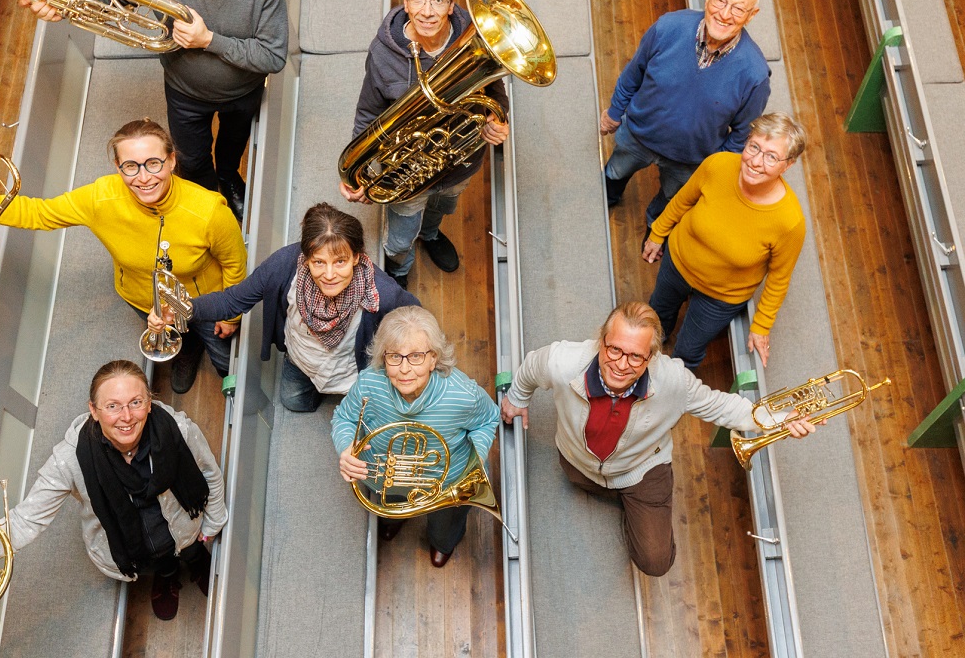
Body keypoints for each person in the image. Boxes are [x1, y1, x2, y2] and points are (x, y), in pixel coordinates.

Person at [22, 0, 289, 221]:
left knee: (231, 148)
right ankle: (211, 204)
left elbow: (274, 57)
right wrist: (59, 2)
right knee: (191, 160)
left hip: (242, 93)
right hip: (184, 92)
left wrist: (208, 39)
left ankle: (228, 177)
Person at [0, 118, 246, 394]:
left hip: (206, 301)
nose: (144, 177)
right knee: (178, 341)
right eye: (130, 167)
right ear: (118, 168)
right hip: (142, 299)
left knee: (224, 355)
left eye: (153, 163)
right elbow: (39, 212)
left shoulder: (209, 211)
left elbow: (235, 264)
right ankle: (187, 351)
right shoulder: (101, 197)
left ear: (172, 161)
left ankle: (225, 369)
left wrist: (229, 316)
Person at [500, 302, 815, 577]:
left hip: (642, 472)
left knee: (655, 561)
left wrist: (778, 418)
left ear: (651, 357)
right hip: (577, 463)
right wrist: (517, 397)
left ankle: (638, 506)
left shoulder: (674, 380)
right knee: (579, 481)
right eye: (615, 350)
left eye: (636, 357)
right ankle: (623, 502)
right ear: (601, 340)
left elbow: (721, 406)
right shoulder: (562, 360)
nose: (622, 365)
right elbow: (531, 368)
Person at [4, 360, 227, 621]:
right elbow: (24, 520)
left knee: (191, 550)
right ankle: (167, 576)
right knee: (160, 564)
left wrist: (214, 520)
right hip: (134, 546)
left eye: (136, 402)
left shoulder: (178, 430)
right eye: (112, 406)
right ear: (94, 411)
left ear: (149, 402)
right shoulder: (70, 459)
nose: (127, 417)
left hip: (185, 528)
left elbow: (209, 471)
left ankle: (197, 563)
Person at [339, 0, 510, 289]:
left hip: (460, 164)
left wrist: (497, 118)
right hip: (409, 175)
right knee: (399, 239)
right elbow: (367, 113)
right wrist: (357, 170)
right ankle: (400, 270)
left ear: (452, 5)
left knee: (442, 208)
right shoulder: (383, 54)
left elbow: (496, 91)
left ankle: (431, 234)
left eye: (437, 0)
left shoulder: (478, 38)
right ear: (405, 2)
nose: (427, 11)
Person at [183, 202, 419, 412]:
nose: (329, 275)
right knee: (294, 402)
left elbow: (417, 319)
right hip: (300, 360)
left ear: (356, 257)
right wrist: (183, 308)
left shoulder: (382, 292)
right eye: (318, 262)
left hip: (352, 371)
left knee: (362, 411)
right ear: (306, 257)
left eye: (340, 262)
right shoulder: (284, 265)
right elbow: (231, 300)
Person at [332, 306, 500, 567]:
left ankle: (442, 543)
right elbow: (345, 417)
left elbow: (488, 419)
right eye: (394, 357)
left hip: (446, 481)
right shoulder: (368, 384)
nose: (404, 369)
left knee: (446, 526)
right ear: (383, 358)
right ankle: (393, 520)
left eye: (416, 357)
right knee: (390, 508)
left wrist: (473, 461)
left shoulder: (462, 395)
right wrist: (345, 447)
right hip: (387, 474)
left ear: (434, 358)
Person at [602, 0, 770, 227]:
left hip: (689, 160)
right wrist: (614, 112)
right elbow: (634, 72)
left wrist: (711, 168)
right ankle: (607, 199)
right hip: (637, 135)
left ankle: (654, 230)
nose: (725, 15)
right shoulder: (668, 27)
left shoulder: (755, 74)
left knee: (670, 201)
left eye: (738, 9)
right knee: (614, 173)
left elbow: (741, 135)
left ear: (751, 15)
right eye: (720, 1)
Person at [642, 112, 806, 369]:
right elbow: (683, 200)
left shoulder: (789, 221)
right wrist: (657, 233)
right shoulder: (717, 164)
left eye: (771, 156)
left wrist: (762, 325)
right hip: (678, 262)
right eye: (754, 147)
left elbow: (778, 278)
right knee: (655, 319)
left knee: (687, 353)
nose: (756, 161)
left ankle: (670, 390)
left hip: (720, 296)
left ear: (788, 164)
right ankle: (644, 354)